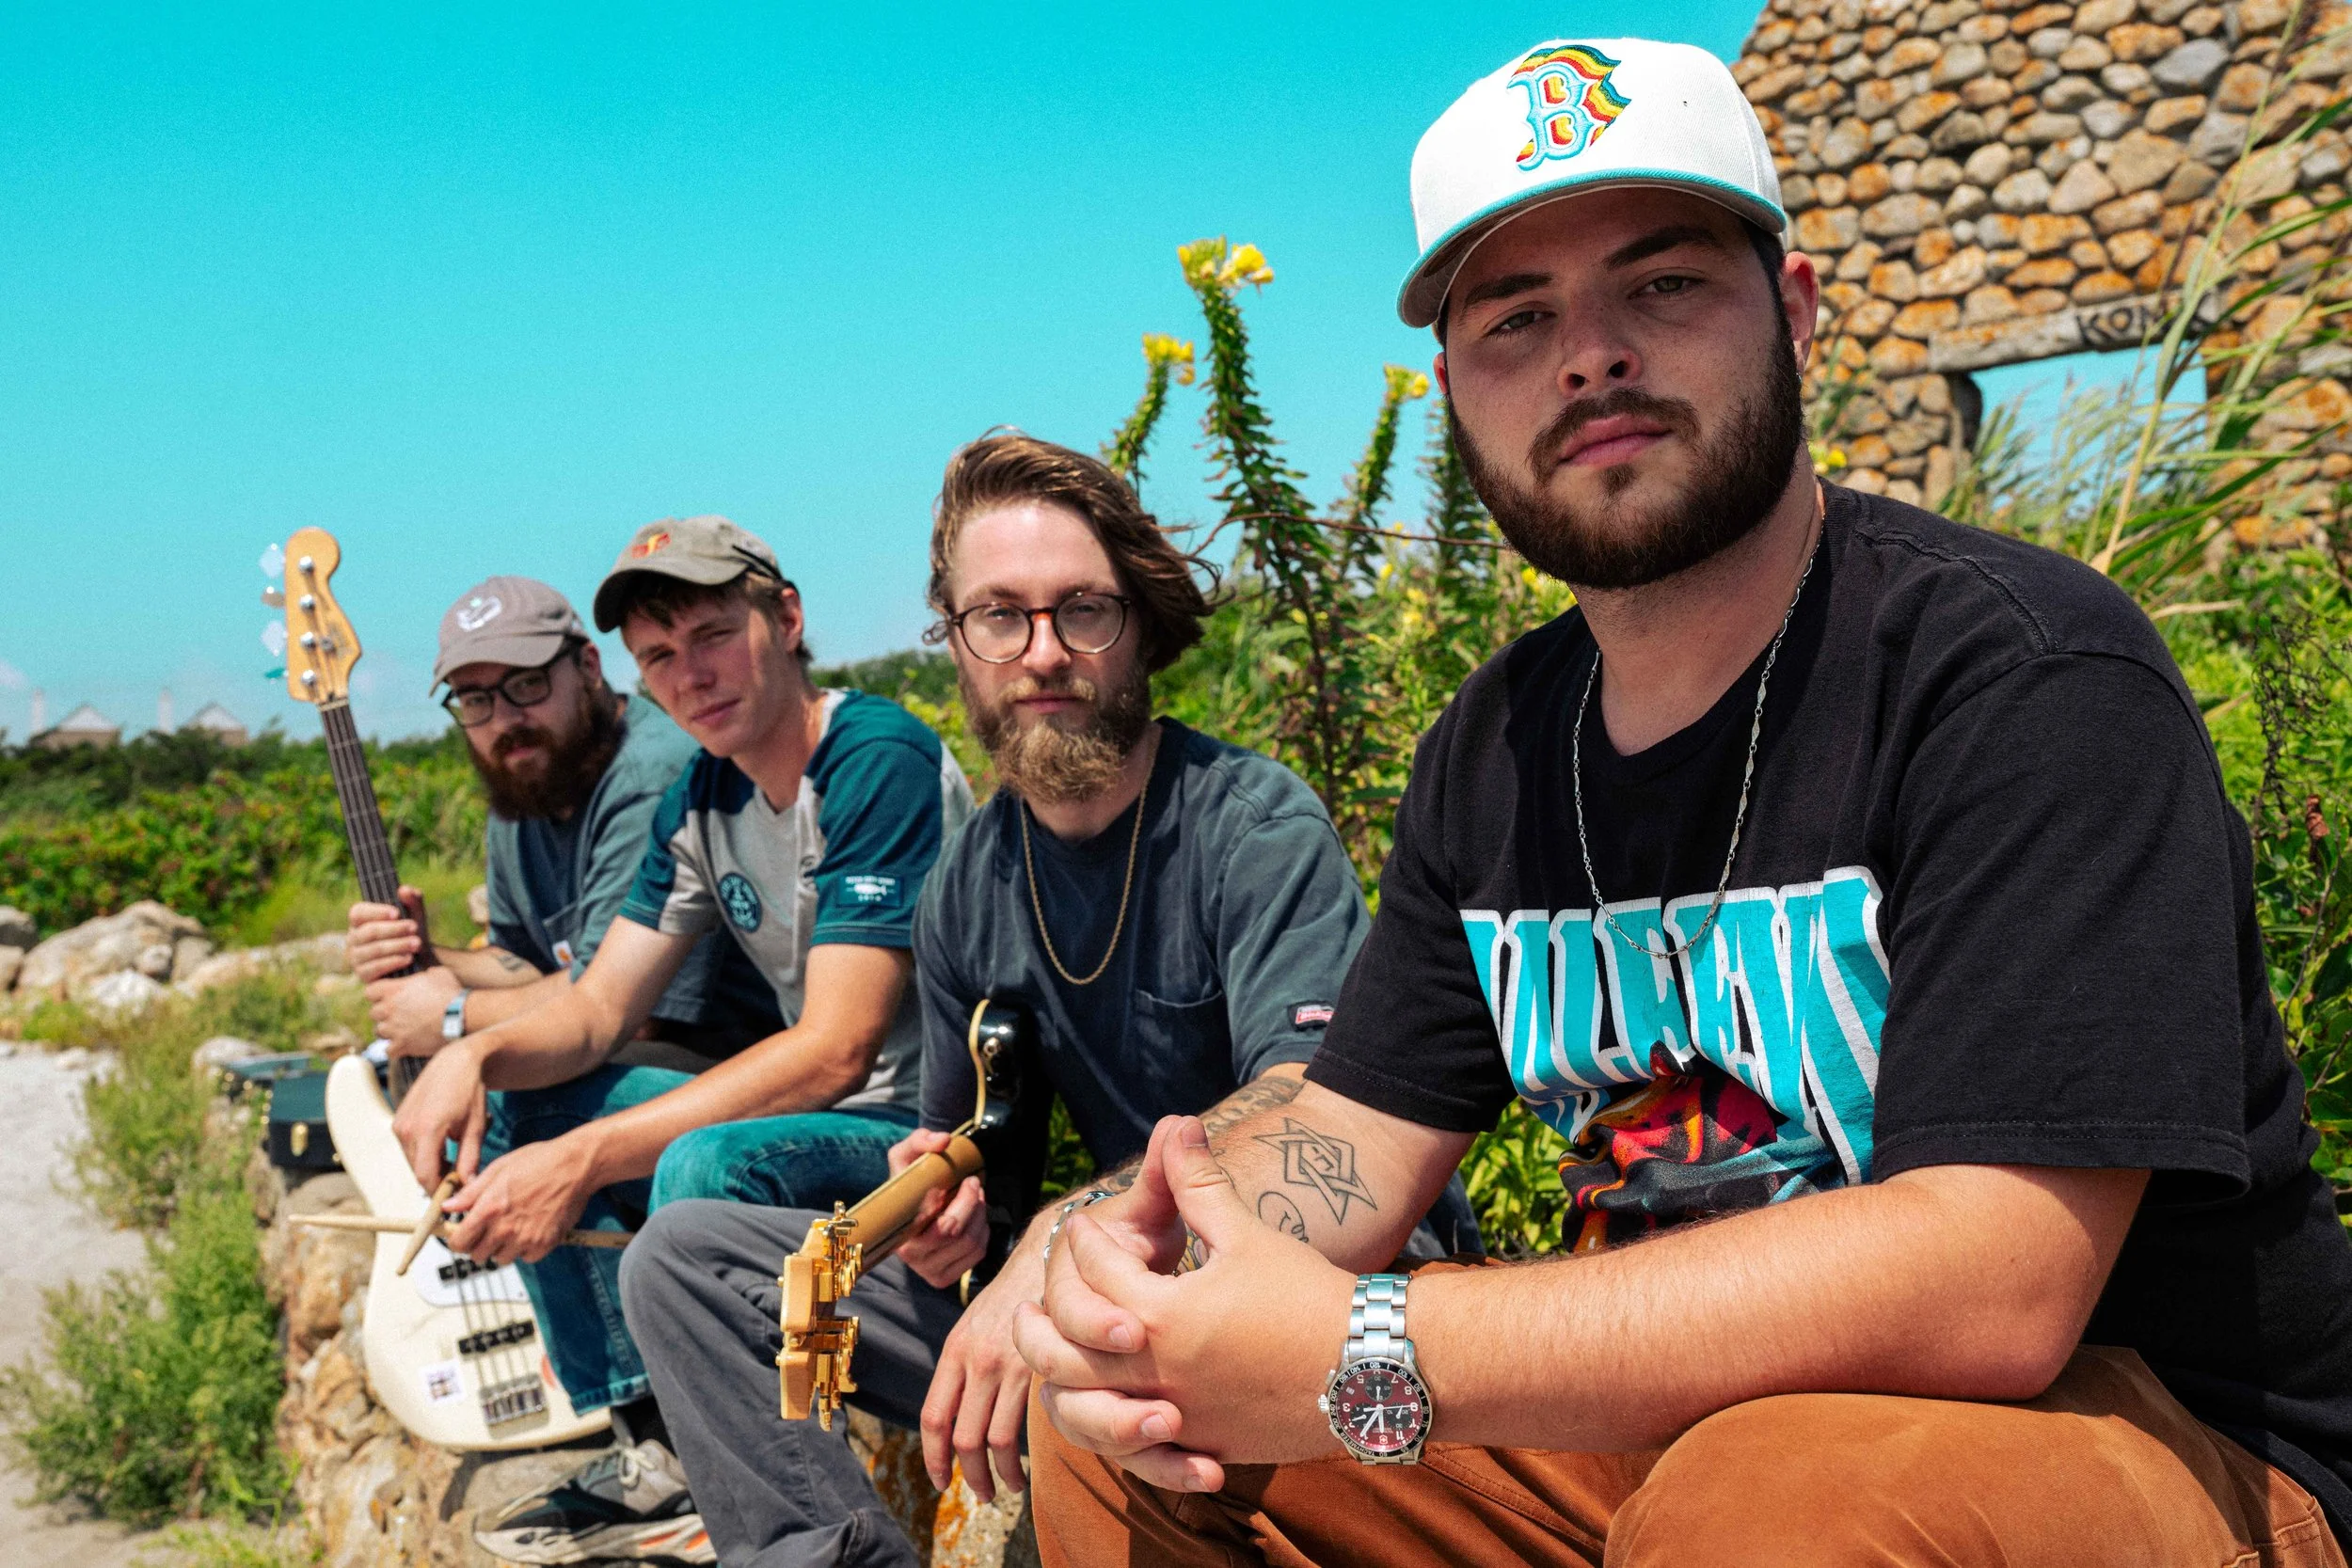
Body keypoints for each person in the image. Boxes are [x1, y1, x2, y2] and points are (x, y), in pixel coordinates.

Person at [1013, 37, 2352, 1568]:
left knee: (1779, 1508)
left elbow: (2000, 1282)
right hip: (1688, 1437)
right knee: (1137, 1437)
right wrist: (1148, 1263)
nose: (1590, 356)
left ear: (1791, 312)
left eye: (1662, 286)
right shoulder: (1496, 749)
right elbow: (1353, 1143)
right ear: (1456, 392)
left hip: (2158, 1442)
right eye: (1518, 319)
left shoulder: (2020, 673)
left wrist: (1367, 1342)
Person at [618, 434, 1481, 1568]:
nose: (1042, 653)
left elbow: (1312, 1103)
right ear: (955, 639)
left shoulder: (1251, 828)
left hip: (1289, 1290)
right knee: (682, 1261)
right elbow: (979, 1142)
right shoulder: (971, 879)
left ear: (1139, 625)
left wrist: (1063, 1240)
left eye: (1082, 610)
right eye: (998, 616)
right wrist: (951, 1212)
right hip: (1083, 1292)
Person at [392, 517, 973, 1566]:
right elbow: (594, 1010)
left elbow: (839, 1049)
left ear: (785, 618)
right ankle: (651, 1438)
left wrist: (573, 1165)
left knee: (700, 1162)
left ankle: (807, 1518)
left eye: (712, 632)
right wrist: (467, 1056)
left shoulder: (873, 757)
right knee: (534, 1098)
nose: (689, 674)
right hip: (826, 1128)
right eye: (659, 655)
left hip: (924, 1133)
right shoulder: (701, 799)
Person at [345, 575, 780, 1073]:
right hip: (616, 1041)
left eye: (527, 684)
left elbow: (629, 1016)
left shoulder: (651, 778)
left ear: (589, 668)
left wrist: (453, 1015)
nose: (505, 720)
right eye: (475, 700)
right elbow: (525, 966)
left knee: (511, 1083)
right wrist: (425, 956)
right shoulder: (529, 779)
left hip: (727, 1058)